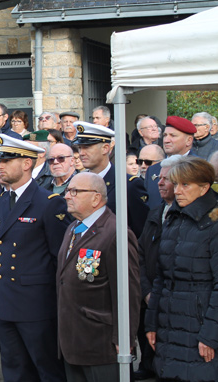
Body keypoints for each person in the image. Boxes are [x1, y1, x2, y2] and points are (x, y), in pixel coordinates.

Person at [0, 134, 71, 382]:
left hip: (37, 305)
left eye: (7, 160)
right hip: (6, 302)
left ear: (27, 163)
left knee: (46, 369)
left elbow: (60, 259)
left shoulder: (48, 203)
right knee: (14, 370)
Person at [57, 173, 141, 382]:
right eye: (68, 190)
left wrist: (125, 337)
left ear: (96, 198)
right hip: (73, 341)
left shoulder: (115, 232)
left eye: (75, 191)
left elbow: (128, 290)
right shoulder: (73, 228)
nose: (67, 196)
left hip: (100, 343)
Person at [145, 157, 218, 382]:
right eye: (176, 184)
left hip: (199, 325)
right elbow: (161, 277)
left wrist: (210, 335)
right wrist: (151, 322)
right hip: (169, 324)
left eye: (185, 185)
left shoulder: (213, 223)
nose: (177, 191)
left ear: (204, 187)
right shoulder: (173, 219)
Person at [135, 155, 182, 381]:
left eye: (167, 179)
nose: (160, 183)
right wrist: (146, 291)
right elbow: (141, 255)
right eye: (159, 178)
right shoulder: (155, 213)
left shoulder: (189, 217)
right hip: (150, 298)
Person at [73, 121, 149, 238]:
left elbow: (141, 232)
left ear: (105, 148)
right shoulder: (76, 183)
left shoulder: (127, 185)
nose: (81, 153)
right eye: (80, 148)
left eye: (87, 147)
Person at [145, 116, 196, 209]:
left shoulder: (197, 168)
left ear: (189, 140)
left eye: (173, 136)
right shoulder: (152, 170)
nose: (166, 140)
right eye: (165, 135)